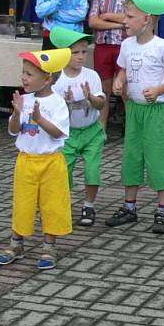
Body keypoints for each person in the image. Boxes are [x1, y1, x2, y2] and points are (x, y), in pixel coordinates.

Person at [105, 0, 164, 233]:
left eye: (129, 16)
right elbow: (123, 70)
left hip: (157, 111)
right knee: (132, 157)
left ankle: (162, 210)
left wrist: (159, 89)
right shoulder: (127, 45)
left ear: (146, 19)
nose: (124, 21)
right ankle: (129, 208)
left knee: (159, 158)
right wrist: (119, 81)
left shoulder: (163, 46)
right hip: (135, 110)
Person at [0, 47, 72, 270]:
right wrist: (18, 113)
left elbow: (59, 132)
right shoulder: (25, 100)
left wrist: (40, 119)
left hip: (51, 162)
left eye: (29, 74)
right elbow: (12, 130)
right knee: (23, 203)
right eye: (23, 73)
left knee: (52, 204)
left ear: (47, 78)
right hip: (26, 161)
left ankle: (49, 247)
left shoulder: (57, 103)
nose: (23, 78)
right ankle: (16, 243)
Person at [51, 27, 106, 228]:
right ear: (64, 53)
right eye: (75, 52)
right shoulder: (56, 80)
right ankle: (61, 206)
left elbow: (101, 104)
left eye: (84, 51)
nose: (81, 57)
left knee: (92, 170)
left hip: (92, 131)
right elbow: (54, 112)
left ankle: (88, 205)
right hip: (68, 134)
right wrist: (65, 103)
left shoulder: (91, 75)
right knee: (63, 171)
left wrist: (90, 97)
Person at [88, 0, 137, 129]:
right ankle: (102, 129)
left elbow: (132, 19)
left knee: (125, 90)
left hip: (125, 47)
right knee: (104, 90)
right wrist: (119, 23)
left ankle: (132, 128)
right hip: (103, 47)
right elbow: (93, 22)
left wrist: (107, 17)